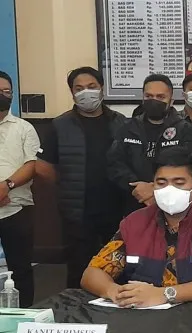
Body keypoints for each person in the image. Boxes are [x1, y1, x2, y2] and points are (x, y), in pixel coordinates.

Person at [81, 147, 192, 307]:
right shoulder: (134, 224)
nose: (169, 189)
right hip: (142, 320)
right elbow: (92, 274)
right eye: (162, 183)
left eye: (179, 183)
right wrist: (117, 292)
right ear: (153, 187)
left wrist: (165, 294)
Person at [35, 66, 127, 289]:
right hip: (77, 210)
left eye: (92, 87)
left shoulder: (120, 122)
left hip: (116, 208)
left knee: (118, 266)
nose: (86, 92)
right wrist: (68, 184)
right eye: (80, 88)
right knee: (78, 268)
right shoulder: (60, 125)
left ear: (102, 88)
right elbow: (42, 167)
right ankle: (75, 315)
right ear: (72, 93)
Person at [107, 74, 192, 216]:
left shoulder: (184, 130)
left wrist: (156, 188)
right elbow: (114, 164)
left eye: (160, 97)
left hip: (173, 206)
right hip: (133, 203)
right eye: (149, 96)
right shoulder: (127, 128)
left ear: (171, 100)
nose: (154, 101)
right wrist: (138, 186)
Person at [0, 70, 40, 307]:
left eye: (7, 91)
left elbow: (32, 164)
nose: (4, 95)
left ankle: (24, 315)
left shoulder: (24, 128)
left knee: (21, 268)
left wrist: (6, 186)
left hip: (16, 208)